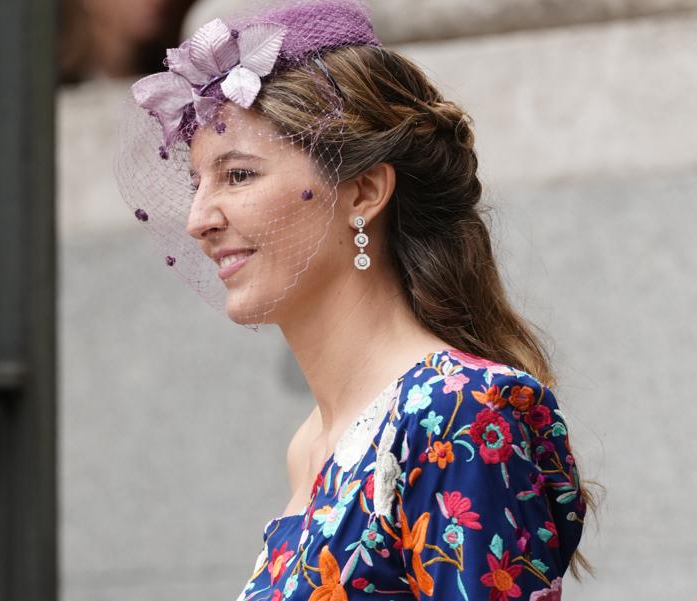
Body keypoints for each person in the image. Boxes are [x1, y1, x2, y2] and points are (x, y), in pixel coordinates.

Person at [116, 1, 595, 598]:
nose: (198, 219)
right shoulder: (313, 442)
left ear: (365, 191)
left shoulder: (459, 410)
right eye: (198, 184)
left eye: (238, 175)